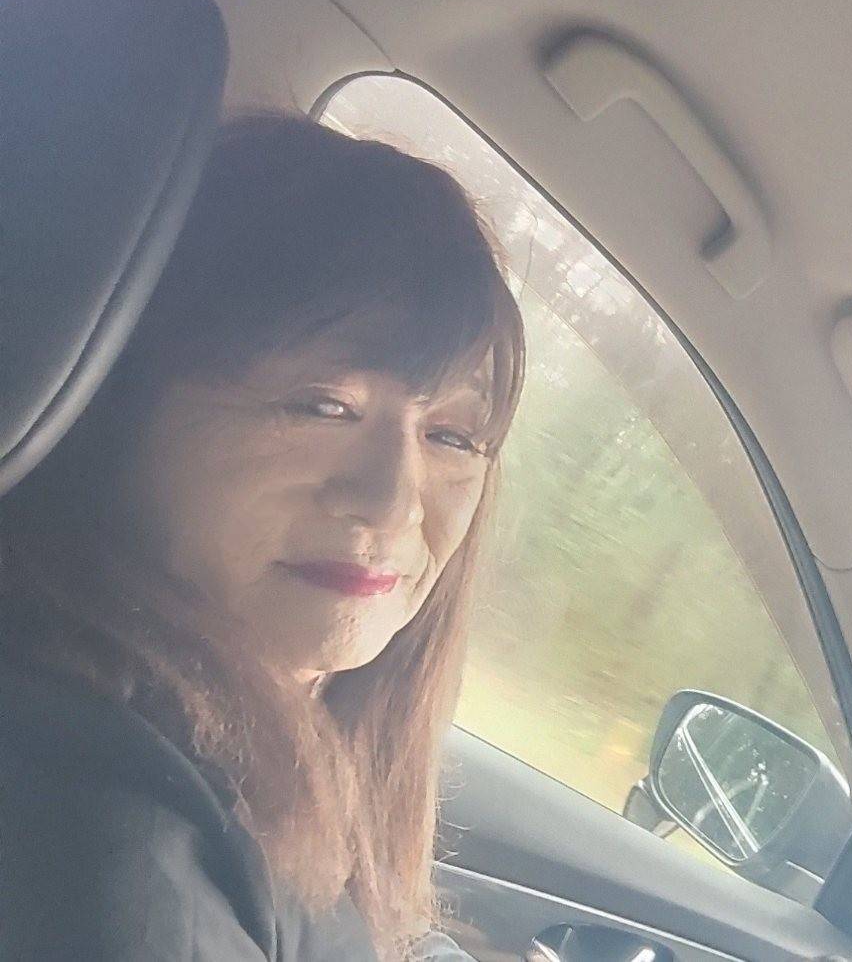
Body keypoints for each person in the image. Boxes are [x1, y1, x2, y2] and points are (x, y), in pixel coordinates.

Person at [0, 113, 525, 961]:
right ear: (126, 404)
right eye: (322, 406)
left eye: (453, 437)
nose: (390, 503)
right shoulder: (111, 837)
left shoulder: (256, 751)